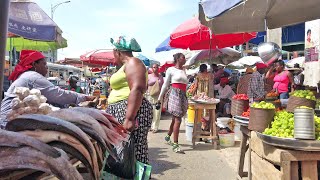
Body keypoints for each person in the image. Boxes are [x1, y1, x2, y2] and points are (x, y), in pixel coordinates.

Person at [0, 50, 95, 128]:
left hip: (9, 121)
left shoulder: (26, 75)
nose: (46, 68)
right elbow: (57, 94)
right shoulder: (32, 76)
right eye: (44, 64)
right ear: (34, 64)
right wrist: (85, 98)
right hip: (8, 123)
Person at [106, 36, 152, 164]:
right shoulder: (127, 65)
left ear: (118, 52)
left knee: (134, 151)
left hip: (129, 111)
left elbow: (137, 87)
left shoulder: (133, 62)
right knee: (124, 154)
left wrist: (129, 118)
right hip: (124, 109)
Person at [158, 52, 188, 153]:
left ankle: (168, 136)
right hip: (174, 94)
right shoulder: (171, 70)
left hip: (183, 95)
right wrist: (159, 98)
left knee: (175, 118)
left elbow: (184, 84)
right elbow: (165, 85)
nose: (185, 59)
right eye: (183, 57)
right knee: (178, 118)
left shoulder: (184, 70)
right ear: (178, 59)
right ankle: (175, 144)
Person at [147, 64, 164, 133]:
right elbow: (145, 85)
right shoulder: (148, 76)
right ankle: (150, 126)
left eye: (157, 67)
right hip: (149, 95)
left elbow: (163, 86)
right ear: (152, 68)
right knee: (150, 111)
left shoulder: (160, 77)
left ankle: (155, 127)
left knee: (157, 111)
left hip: (158, 96)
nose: (155, 69)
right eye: (154, 67)